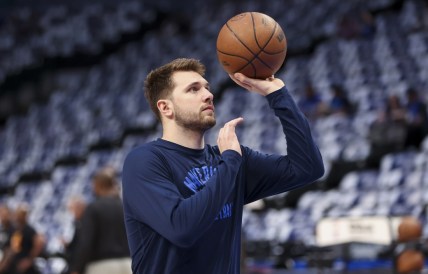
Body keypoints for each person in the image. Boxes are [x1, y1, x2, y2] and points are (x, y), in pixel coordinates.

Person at [122, 58, 324, 273]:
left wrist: (278, 94)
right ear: (166, 107)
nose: (208, 95)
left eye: (207, 88)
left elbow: (308, 168)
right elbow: (182, 228)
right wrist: (230, 162)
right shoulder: (144, 161)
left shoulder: (230, 157)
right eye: (193, 90)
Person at [69, 167, 131, 274]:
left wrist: (77, 268)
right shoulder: (126, 207)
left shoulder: (93, 208)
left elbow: (86, 243)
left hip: (102, 266)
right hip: (128, 264)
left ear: (98, 185)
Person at [0, 204, 45, 274]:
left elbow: (40, 242)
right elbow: (13, 248)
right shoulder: (16, 229)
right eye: (18, 214)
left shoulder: (29, 229)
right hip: (15, 263)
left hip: (26, 265)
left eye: (22, 214)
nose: (19, 216)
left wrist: (29, 259)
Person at [61, 196, 86, 274]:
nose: (73, 213)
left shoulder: (85, 223)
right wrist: (67, 245)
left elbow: (84, 247)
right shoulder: (77, 223)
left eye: (73, 209)